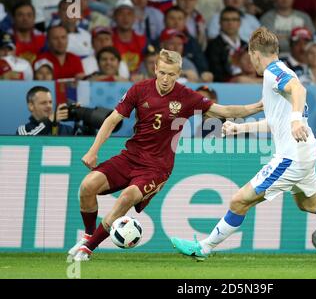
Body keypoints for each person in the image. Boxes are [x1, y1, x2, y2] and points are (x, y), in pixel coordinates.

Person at [171, 27, 316, 267]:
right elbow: (275, 121)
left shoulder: (274, 72)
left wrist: (294, 121)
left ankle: (204, 248)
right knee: (309, 203)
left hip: (291, 156)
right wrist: (241, 128)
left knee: (239, 201)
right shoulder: (277, 74)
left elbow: (299, 89)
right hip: (305, 151)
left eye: (250, 57)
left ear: (254, 53)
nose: (251, 61)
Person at [68, 49, 263, 261]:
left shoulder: (186, 97)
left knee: (126, 197)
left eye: (171, 74)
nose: (165, 79)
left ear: (178, 73)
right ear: (155, 69)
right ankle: (88, 236)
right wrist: (93, 150)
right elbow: (112, 119)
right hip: (130, 157)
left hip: (157, 168)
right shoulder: (140, 89)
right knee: (87, 186)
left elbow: (225, 111)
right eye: (162, 73)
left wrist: (259, 106)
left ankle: (87, 249)